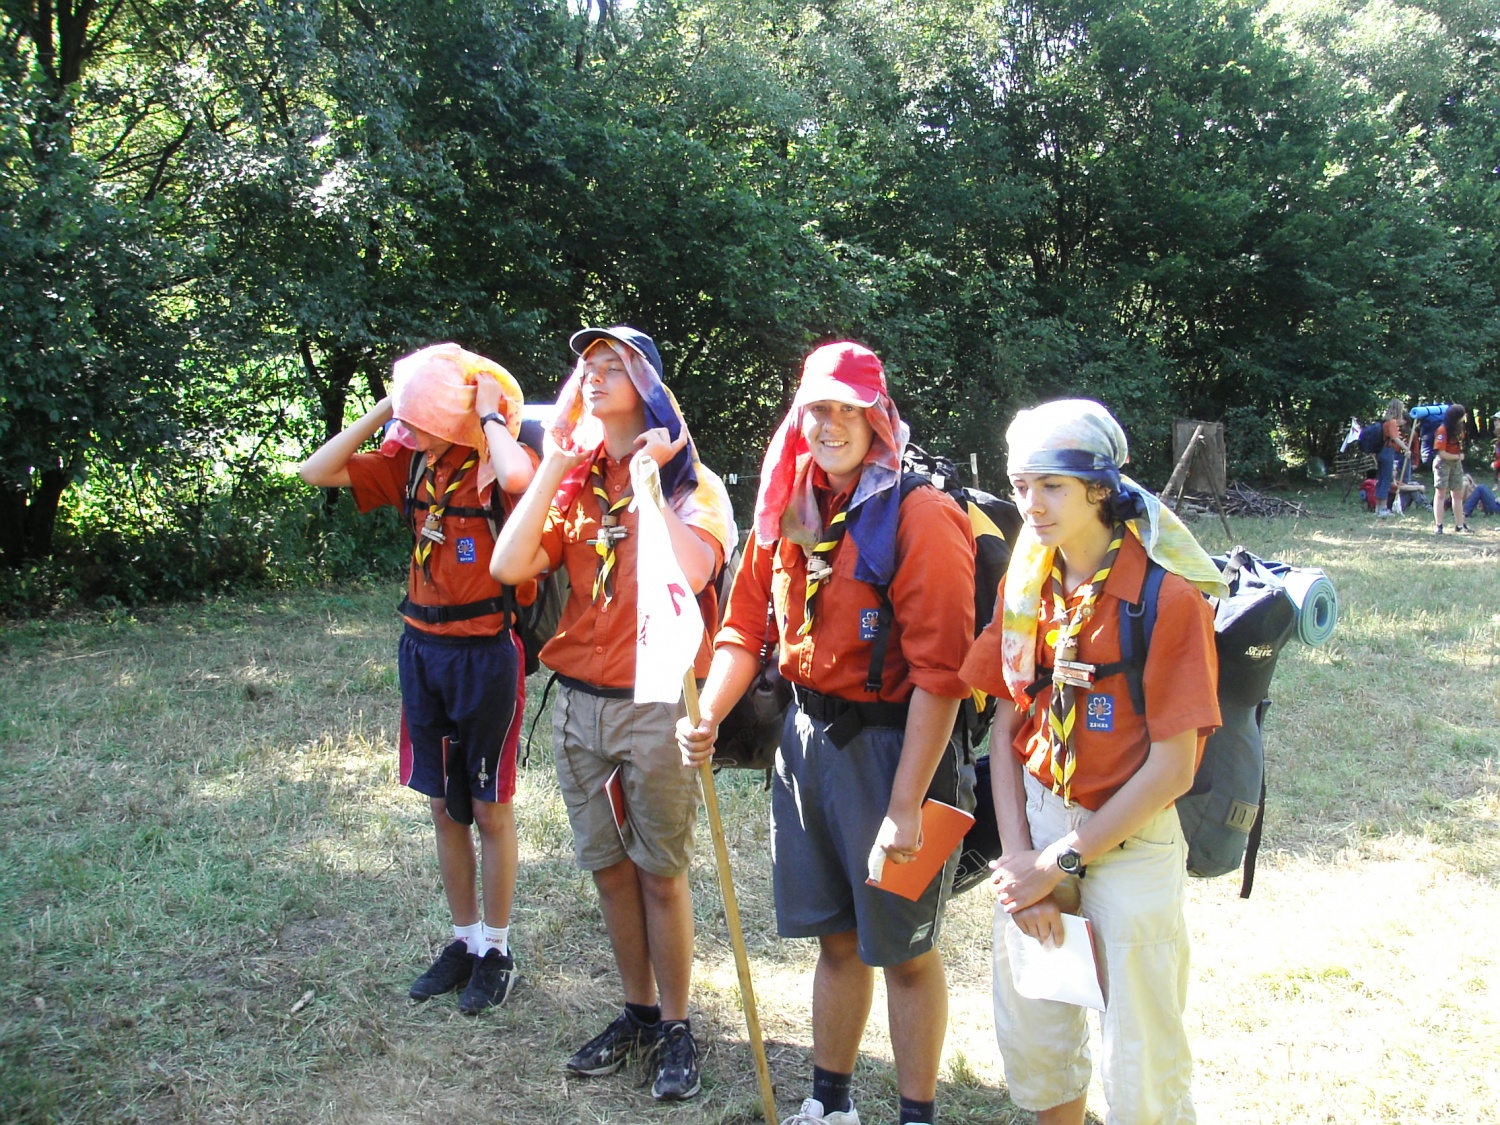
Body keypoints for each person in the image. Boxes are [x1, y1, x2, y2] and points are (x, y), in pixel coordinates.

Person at [678, 342, 976, 1125]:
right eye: (818, 407)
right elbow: (744, 626)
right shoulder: (786, 504)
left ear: (878, 418)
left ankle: (916, 1116)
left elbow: (943, 675)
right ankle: (830, 1102)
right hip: (805, 743)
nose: (830, 423)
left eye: (849, 408)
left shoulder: (922, 516)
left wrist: (907, 806)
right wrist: (709, 711)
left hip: (900, 752)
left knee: (905, 949)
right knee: (836, 940)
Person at [959, 399, 1225, 1125]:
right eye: (1021, 485)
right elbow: (1007, 726)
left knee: (1142, 1064)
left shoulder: (1167, 597)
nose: (1032, 505)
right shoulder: (1027, 585)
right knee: (1039, 1039)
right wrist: (1021, 863)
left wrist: (1059, 864)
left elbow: (1173, 767)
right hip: (1039, 825)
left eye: (1053, 485)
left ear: (1100, 489)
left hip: (1130, 841)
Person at [490, 326, 735, 1102]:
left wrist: (650, 486)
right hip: (580, 708)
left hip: (658, 707)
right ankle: (638, 1010)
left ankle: (677, 1025)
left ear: (649, 387)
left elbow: (695, 568)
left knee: (660, 873)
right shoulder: (576, 483)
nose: (591, 377)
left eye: (612, 366)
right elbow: (508, 562)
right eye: (585, 367)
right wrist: (554, 460)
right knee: (608, 870)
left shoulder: (693, 484)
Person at [298, 343, 536, 1014]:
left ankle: (497, 950)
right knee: (442, 804)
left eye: (422, 415)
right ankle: (463, 940)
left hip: (486, 654)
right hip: (423, 650)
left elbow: (521, 478)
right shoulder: (409, 462)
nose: (411, 427)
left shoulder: (492, 462)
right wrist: (388, 410)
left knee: (489, 807)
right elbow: (316, 471)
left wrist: (486, 416)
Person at [1432, 403, 1468, 534]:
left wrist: (1458, 456)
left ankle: (1460, 525)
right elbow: (1441, 453)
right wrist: (1457, 456)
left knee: (1457, 493)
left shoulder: (1459, 429)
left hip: (1455, 463)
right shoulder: (1442, 430)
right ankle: (1439, 525)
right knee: (1441, 493)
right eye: (1462, 415)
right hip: (1443, 463)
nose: (1464, 417)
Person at [1375, 399, 1411, 518]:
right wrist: (1406, 448)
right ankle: (1383, 508)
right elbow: (1395, 438)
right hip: (1387, 451)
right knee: (1386, 479)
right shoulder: (1392, 422)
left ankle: (1378, 507)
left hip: (1381, 451)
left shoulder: (1385, 421)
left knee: (1382, 479)